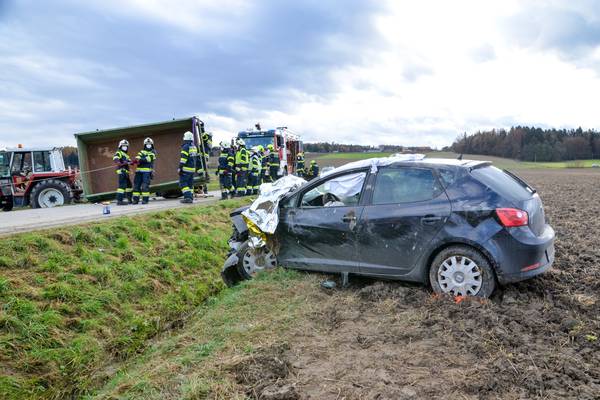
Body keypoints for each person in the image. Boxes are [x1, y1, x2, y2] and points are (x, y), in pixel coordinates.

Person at [132, 137, 156, 205]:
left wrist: (140, 160)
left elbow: (148, 159)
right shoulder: (141, 152)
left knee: (145, 186)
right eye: (147, 144)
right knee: (136, 186)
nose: (148, 145)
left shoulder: (153, 152)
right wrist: (134, 161)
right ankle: (135, 200)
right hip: (138, 172)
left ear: (152, 145)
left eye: (150, 144)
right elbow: (137, 158)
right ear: (145, 145)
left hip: (147, 172)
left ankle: (145, 200)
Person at [179, 131, 198, 203]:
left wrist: (180, 168)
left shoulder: (186, 147)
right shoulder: (194, 147)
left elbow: (183, 159)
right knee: (190, 184)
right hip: (192, 169)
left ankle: (188, 197)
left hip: (186, 169)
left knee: (182, 183)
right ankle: (190, 197)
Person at [113, 139, 133, 205]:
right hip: (122, 171)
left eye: (126, 146)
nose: (125, 147)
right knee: (122, 186)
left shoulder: (126, 155)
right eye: (123, 146)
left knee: (129, 186)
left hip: (126, 172)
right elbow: (115, 158)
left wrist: (133, 162)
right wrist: (118, 162)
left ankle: (130, 200)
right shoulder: (119, 152)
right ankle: (119, 201)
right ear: (120, 146)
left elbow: (130, 162)